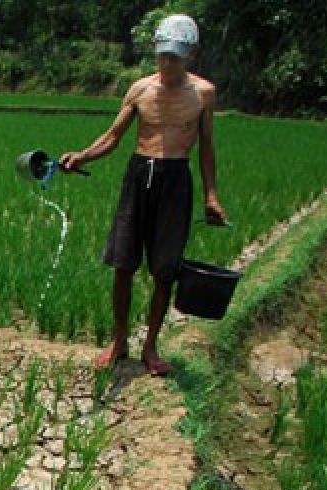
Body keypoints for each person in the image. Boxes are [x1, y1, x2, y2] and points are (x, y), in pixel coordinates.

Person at [59, 13, 227, 376]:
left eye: (175, 57)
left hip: (176, 178)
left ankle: (150, 347)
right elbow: (113, 137)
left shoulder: (203, 94)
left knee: (165, 269)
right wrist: (81, 156)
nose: (167, 64)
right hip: (139, 176)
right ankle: (120, 341)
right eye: (163, 55)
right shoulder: (140, 90)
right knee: (123, 264)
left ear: (190, 55)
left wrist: (211, 196)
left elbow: (207, 146)